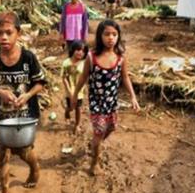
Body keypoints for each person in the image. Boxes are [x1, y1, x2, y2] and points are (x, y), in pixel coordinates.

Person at [0, 11, 46, 193]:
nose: (4, 37)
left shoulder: (28, 57)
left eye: (9, 32)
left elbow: (40, 82)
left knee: (24, 151)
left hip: (26, 114)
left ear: (18, 33)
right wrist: (0, 92)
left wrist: (26, 96)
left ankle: (35, 169)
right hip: (2, 115)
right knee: (3, 153)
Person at [71, 19, 140, 176]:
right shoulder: (91, 57)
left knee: (112, 127)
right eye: (107, 34)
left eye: (114, 34)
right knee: (99, 132)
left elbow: (125, 78)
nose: (111, 38)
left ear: (118, 36)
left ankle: (97, 143)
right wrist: (75, 95)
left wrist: (133, 97)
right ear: (100, 36)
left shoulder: (120, 58)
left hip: (112, 103)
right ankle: (94, 163)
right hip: (97, 103)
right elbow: (83, 78)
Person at [60, 40, 88, 134]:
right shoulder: (66, 63)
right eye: (78, 49)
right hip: (70, 90)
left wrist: (86, 88)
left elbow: (85, 77)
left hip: (79, 90)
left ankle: (77, 125)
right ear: (73, 50)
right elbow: (64, 78)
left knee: (78, 108)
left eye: (83, 51)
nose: (81, 52)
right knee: (71, 107)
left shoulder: (84, 64)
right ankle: (67, 112)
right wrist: (69, 90)